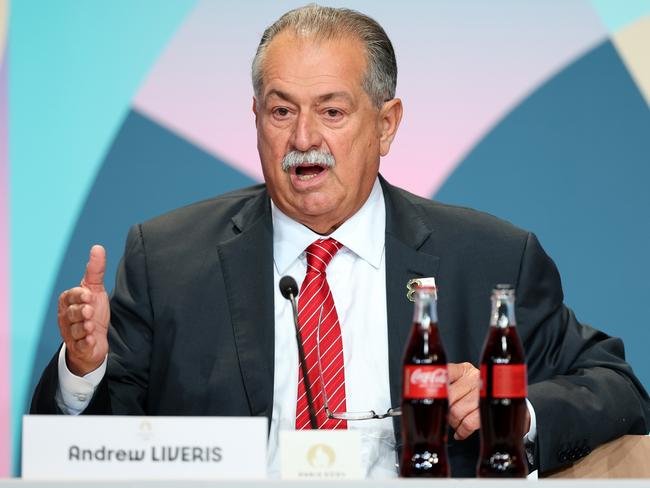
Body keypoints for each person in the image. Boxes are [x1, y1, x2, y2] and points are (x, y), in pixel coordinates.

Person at [31, 4, 649, 478]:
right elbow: (88, 456)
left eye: (332, 111)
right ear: (254, 120)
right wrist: (84, 372)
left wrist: (510, 406)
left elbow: (618, 387)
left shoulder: (487, 258)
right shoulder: (167, 259)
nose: (305, 138)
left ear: (386, 125)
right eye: (281, 112)